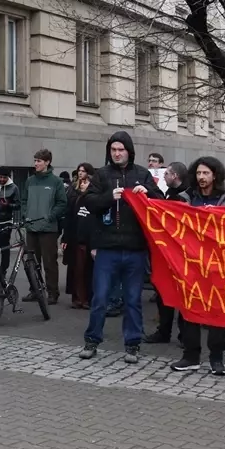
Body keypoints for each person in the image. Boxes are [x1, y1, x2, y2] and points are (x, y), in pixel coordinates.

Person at [78, 131, 162, 362]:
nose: (117, 154)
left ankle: (132, 344)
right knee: (100, 298)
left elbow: (161, 203)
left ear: (129, 151)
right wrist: (108, 197)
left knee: (133, 300)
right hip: (107, 248)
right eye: (113, 150)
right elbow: (88, 203)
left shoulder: (142, 174)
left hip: (135, 248)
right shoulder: (101, 174)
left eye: (120, 150)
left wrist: (148, 193)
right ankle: (92, 340)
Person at [170, 156, 225, 375]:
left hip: (218, 265)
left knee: (217, 312)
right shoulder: (186, 198)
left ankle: (216, 358)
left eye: (206, 173)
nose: (201, 177)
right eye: (198, 173)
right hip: (191, 263)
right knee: (190, 310)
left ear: (215, 175)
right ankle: (191, 356)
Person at [145, 162, 189, 345]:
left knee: (184, 295)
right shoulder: (169, 194)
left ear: (175, 176)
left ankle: (184, 334)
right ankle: (164, 331)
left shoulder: (186, 196)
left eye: (167, 174)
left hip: (182, 253)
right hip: (166, 252)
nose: (164, 177)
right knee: (164, 292)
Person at [22, 148, 67, 307]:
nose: (35, 163)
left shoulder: (56, 182)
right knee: (31, 262)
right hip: (31, 227)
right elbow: (24, 200)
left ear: (47, 162)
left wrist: (50, 216)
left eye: (39, 161)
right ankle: (35, 291)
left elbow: (62, 203)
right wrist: (25, 214)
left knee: (49, 263)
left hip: (48, 229)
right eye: (35, 160)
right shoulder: (30, 181)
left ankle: (52, 292)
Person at [62, 162, 96, 309]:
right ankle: (77, 298)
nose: (81, 173)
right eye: (79, 171)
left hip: (89, 236)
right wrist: (65, 237)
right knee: (76, 269)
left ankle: (87, 298)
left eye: (84, 171)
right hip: (75, 236)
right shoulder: (73, 190)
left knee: (88, 270)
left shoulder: (95, 192)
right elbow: (69, 215)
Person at [0, 166, 20, 279]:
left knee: (5, 248)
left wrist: (8, 205)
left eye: (5, 177)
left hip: (6, 222)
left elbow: (18, 205)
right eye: (0, 177)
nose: (2, 179)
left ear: (8, 177)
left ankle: (3, 271)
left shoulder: (14, 188)